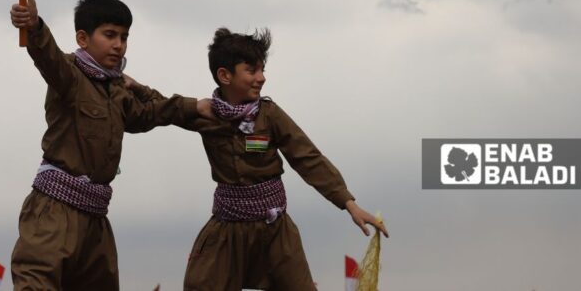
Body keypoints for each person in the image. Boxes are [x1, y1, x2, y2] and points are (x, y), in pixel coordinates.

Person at [130, 27, 389, 290]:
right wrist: (134, 86)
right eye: (252, 71)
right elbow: (164, 106)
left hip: (274, 229)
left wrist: (349, 203)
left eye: (262, 70)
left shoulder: (270, 115)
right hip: (227, 228)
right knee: (201, 284)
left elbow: (308, 158)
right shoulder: (205, 114)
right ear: (225, 75)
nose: (261, 78)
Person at [9, 0, 211, 291]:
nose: (119, 45)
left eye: (124, 37)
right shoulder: (70, 75)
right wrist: (35, 26)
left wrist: (193, 106)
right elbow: (47, 56)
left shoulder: (117, 91)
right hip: (54, 212)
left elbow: (152, 113)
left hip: (96, 220)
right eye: (109, 34)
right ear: (83, 38)